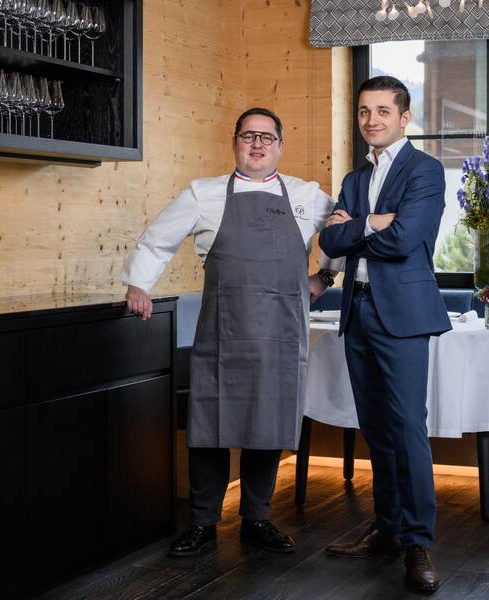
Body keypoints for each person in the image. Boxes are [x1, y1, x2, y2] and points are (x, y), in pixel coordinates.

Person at [122, 107, 339, 557]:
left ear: (280, 146)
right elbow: (157, 238)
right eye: (248, 136)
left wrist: (325, 276)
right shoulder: (203, 194)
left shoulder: (306, 195)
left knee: (269, 426)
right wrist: (139, 284)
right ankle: (202, 523)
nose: (257, 144)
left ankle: (257, 518)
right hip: (223, 334)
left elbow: (345, 230)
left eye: (266, 137)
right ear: (234, 143)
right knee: (209, 428)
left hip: (282, 335)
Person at [318, 76, 450, 594]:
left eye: (382, 111)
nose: (372, 120)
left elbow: (404, 240)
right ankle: (387, 527)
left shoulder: (426, 170)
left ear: (404, 117)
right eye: (364, 111)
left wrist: (359, 229)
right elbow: (329, 238)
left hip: (404, 314)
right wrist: (373, 221)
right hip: (357, 311)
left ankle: (418, 542)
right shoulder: (353, 179)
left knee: (407, 429)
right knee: (375, 427)